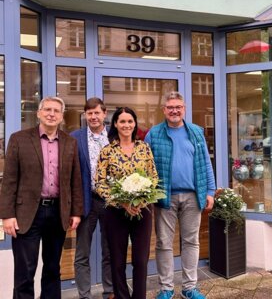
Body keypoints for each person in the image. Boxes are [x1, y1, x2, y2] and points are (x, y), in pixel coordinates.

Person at [0, 96, 83, 299]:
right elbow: (9, 179)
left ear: (61, 116)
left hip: (57, 212)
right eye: (47, 109)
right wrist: (7, 215)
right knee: (25, 271)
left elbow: (75, 180)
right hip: (27, 214)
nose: (51, 114)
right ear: (38, 113)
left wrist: (76, 212)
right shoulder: (19, 139)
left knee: (53, 269)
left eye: (56, 111)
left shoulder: (70, 142)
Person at [145, 91, 216, 299]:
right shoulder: (154, 134)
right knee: (164, 243)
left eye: (178, 107)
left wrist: (210, 191)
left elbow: (205, 163)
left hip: (193, 197)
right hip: (164, 197)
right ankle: (166, 288)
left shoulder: (196, 132)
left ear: (184, 109)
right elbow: (146, 166)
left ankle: (189, 288)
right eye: (170, 107)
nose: (175, 110)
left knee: (191, 242)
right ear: (164, 110)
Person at [95, 107, 158, 299]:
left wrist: (142, 199)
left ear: (134, 123)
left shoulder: (144, 148)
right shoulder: (107, 151)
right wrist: (121, 202)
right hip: (116, 212)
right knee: (117, 260)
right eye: (122, 121)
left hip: (142, 210)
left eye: (130, 121)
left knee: (140, 260)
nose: (126, 125)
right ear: (115, 124)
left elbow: (153, 177)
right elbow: (99, 182)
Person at [71, 97, 114, 299]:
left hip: (110, 202)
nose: (93, 116)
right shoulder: (75, 138)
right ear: (85, 115)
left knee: (109, 250)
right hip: (86, 202)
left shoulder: (114, 137)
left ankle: (109, 291)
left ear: (104, 113)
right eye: (89, 113)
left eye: (97, 112)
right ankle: (84, 295)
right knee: (82, 254)